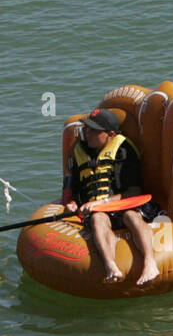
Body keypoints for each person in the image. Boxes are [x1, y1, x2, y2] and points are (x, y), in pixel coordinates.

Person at [61, 107, 160, 285]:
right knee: (98, 219)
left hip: (124, 204)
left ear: (110, 134)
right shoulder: (79, 152)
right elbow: (76, 189)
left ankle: (150, 262)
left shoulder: (124, 150)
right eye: (87, 129)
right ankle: (110, 265)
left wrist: (103, 202)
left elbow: (134, 192)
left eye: (94, 131)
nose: (88, 134)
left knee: (131, 216)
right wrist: (74, 203)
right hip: (98, 212)